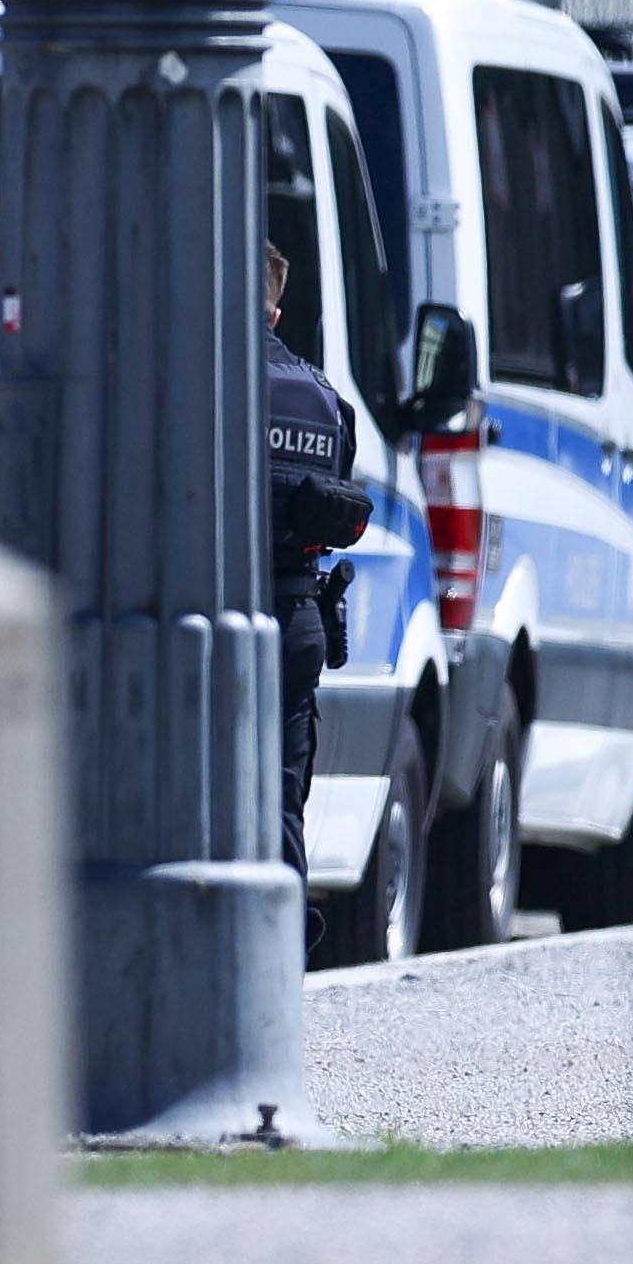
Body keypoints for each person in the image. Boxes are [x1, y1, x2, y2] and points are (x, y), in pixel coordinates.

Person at [264, 236, 372, 875]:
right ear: (277, 314)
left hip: (209, 619)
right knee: (282, 800)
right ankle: (284, 929)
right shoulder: (326, 399)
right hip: (298, 620)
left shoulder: (203, 383)